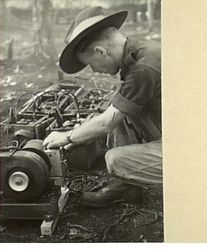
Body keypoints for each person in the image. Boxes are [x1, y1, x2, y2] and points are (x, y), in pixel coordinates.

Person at [43, 6, 162, 208]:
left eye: (91, 64)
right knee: (114, 106)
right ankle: (127, 187)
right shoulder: (138, 52)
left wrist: (68, 136)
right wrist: (82, 134)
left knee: (116, 160)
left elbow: (107, 122)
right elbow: (114, 112)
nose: (95, 71)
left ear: (100, 51)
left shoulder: (143, 67)